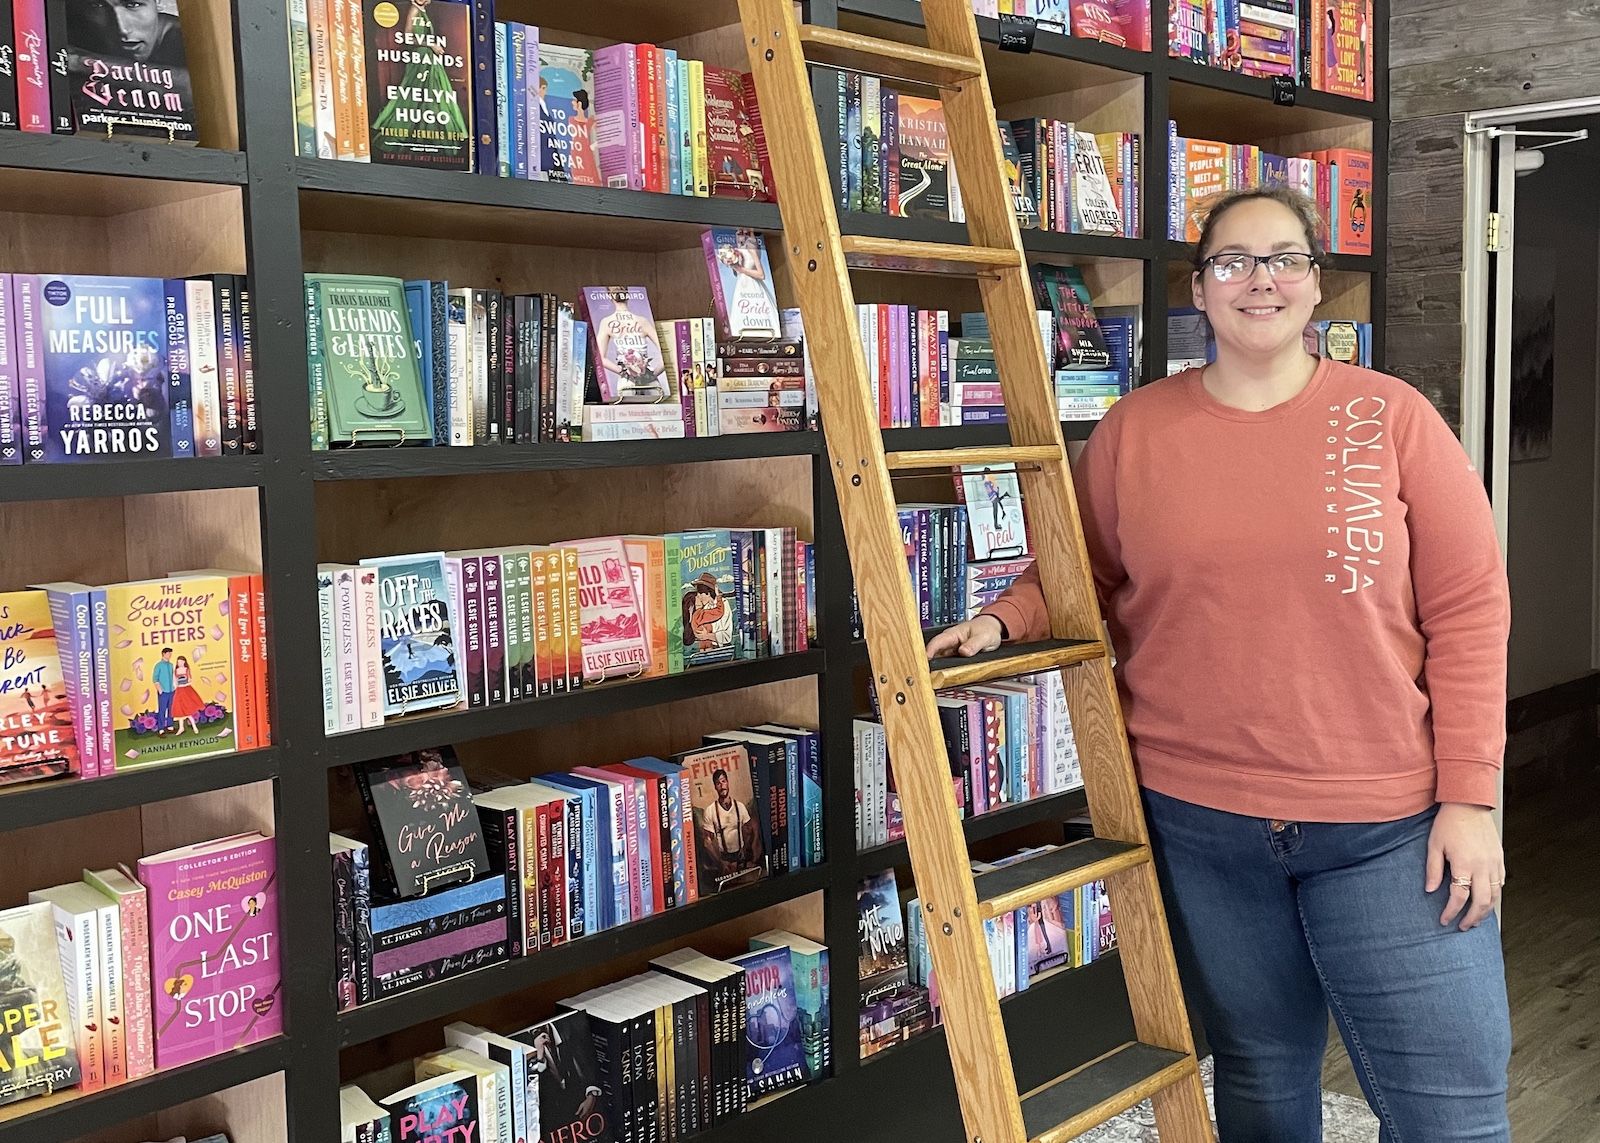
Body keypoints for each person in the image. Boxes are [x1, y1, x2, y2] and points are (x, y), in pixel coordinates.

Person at [927, 187, 1513, 1142]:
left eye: (1284, 259)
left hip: (1387, 824)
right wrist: (1004, 617)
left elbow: (1471, 613)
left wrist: (1473, 798)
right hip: (1202, 822)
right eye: (1233, 262)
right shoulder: (1133, 430)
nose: (1261, 280)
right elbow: (1081, 569)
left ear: (1317, 285)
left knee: (1454, 1109)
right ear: (1199, 289)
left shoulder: (1393, 418)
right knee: (1259, 1067)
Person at [152, 646, 176, 735]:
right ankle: (161, 729)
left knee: (171, 709)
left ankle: (170, 726)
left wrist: (174, 687)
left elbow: (173, 677)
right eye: (168, 653)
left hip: (171, 691)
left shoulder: (171, 665)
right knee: (162, 709)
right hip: (163, 691)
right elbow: (155, 678)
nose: (170, 655)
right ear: (163, 654)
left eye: (170, 653)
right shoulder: (158, 665)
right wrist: (160, 690)